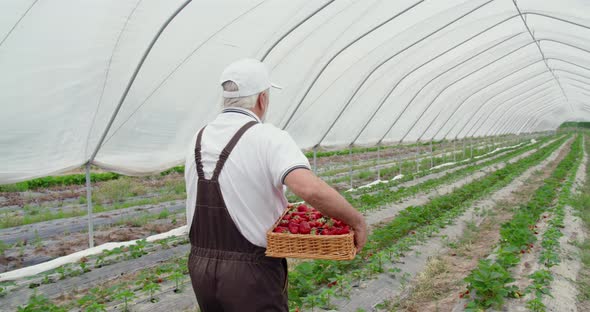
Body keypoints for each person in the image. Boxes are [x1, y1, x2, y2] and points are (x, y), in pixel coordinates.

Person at [184, 58, 367, 311]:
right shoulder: (268, 137)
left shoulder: (198, 137)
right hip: (250, 272)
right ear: (262, 99)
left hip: (200, 266)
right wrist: (355, 221)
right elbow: (309, 189)